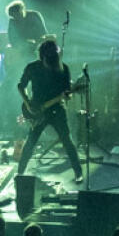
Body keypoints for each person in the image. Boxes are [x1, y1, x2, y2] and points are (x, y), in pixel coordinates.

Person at [15, 39, 84, 184]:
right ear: (42, 56)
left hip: (57, 109)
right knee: (31, 142)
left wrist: (68, 95)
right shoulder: (32, 67)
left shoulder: (63, 68)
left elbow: (67, 93)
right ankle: (20, 172)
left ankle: (78, 173)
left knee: (67, 141)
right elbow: (21, 86)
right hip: (37, 111)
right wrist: (27, 104)